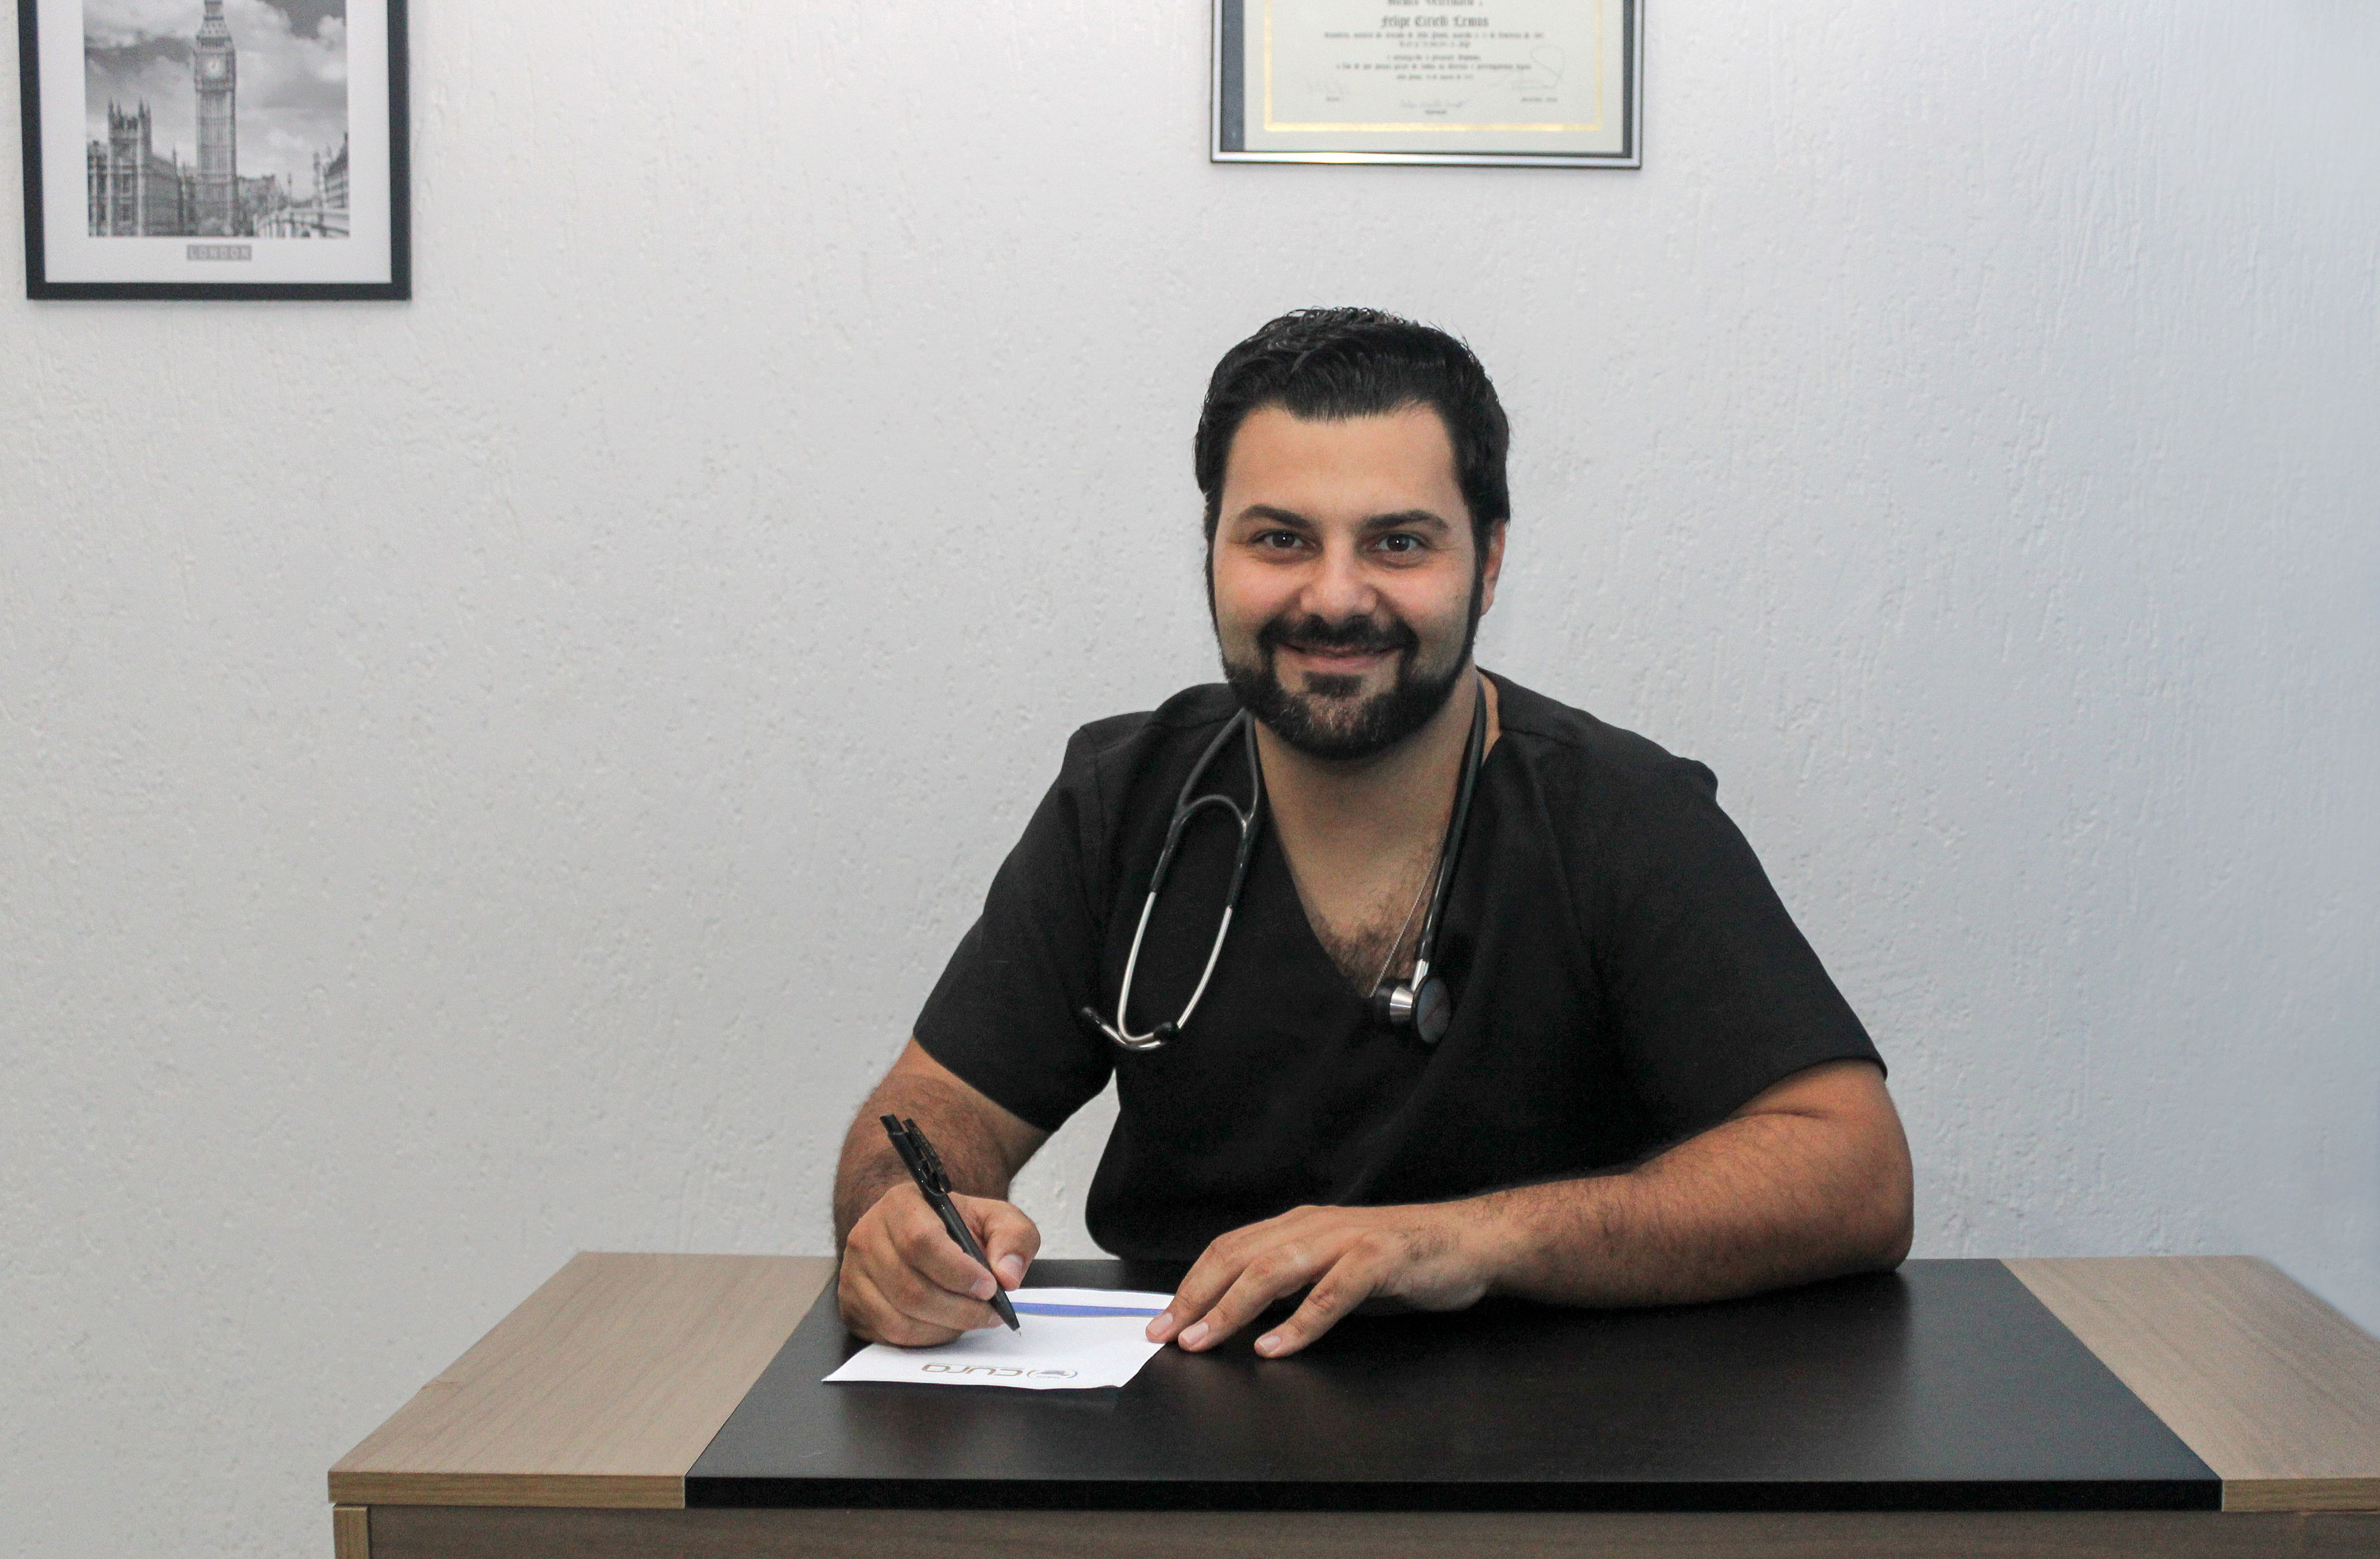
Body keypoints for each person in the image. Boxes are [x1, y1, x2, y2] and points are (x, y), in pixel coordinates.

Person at [833, 308, 1913, 1361]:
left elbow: (1856, 1172)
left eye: (1399, 542)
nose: (1335, 596)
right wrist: (904, 1223)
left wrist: (1464, 1239)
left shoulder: (1620, 812)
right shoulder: (1123, 800)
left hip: (1568, 1436)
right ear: (1210, 552)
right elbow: (937, 1107)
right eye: (1280, 539)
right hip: (1188, 1422)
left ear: (1489, 560)